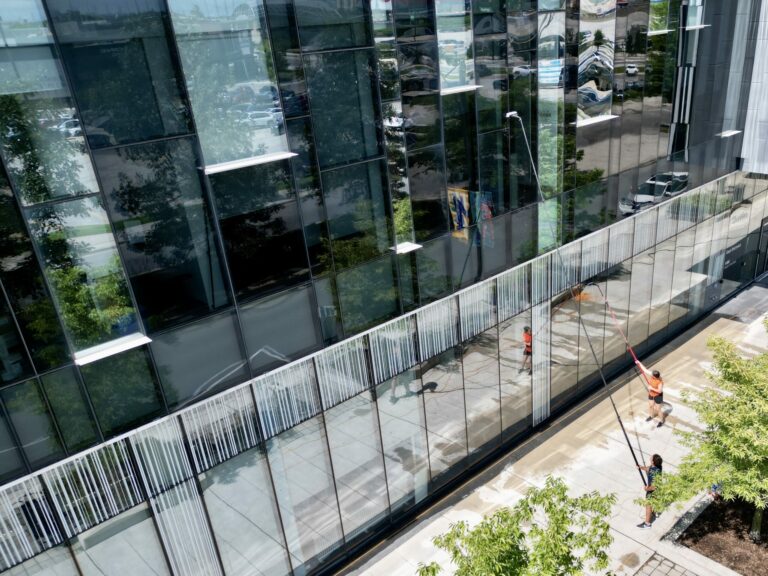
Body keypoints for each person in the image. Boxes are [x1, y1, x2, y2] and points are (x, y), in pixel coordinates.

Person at [636, 360, 666, 427]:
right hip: (651, 394)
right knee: (651, 406)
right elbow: (645, 370)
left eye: (652, 375)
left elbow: (659, 391)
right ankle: (651, 416)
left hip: (658, 395)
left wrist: (652, 388)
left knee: (658, 409)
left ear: (655, 377)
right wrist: (639, 363)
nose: (651, 375)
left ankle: (661, 421)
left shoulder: (659, 382)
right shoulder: (653, 375)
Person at [637, 454, 663, 528]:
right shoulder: (658, 466)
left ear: (653, 462)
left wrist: (647, 489)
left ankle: (647, 524)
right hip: (656, 491)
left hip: (653, 491)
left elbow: (654, 487)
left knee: (648, 506)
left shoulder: (655, 472)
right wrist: (640, 467)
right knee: (654, 502)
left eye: (651, 458)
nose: (650, 457)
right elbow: (649, 469)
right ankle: (655, 512)